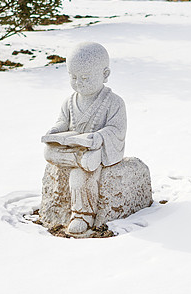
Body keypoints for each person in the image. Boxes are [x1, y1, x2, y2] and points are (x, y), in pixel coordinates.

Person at [42, 42, 127, 235]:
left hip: (94, 149)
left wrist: (98, 137)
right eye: (73, 77)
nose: (78, 83)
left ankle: (82, 215)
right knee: (48, 151)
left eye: (85, 78)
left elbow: (117, 130)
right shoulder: (70, 101)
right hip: (74, 150)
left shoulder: (114, 103)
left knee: (80, 175)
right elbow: (63, 122)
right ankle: (80, 160)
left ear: (105, 74)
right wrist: (54, 132)